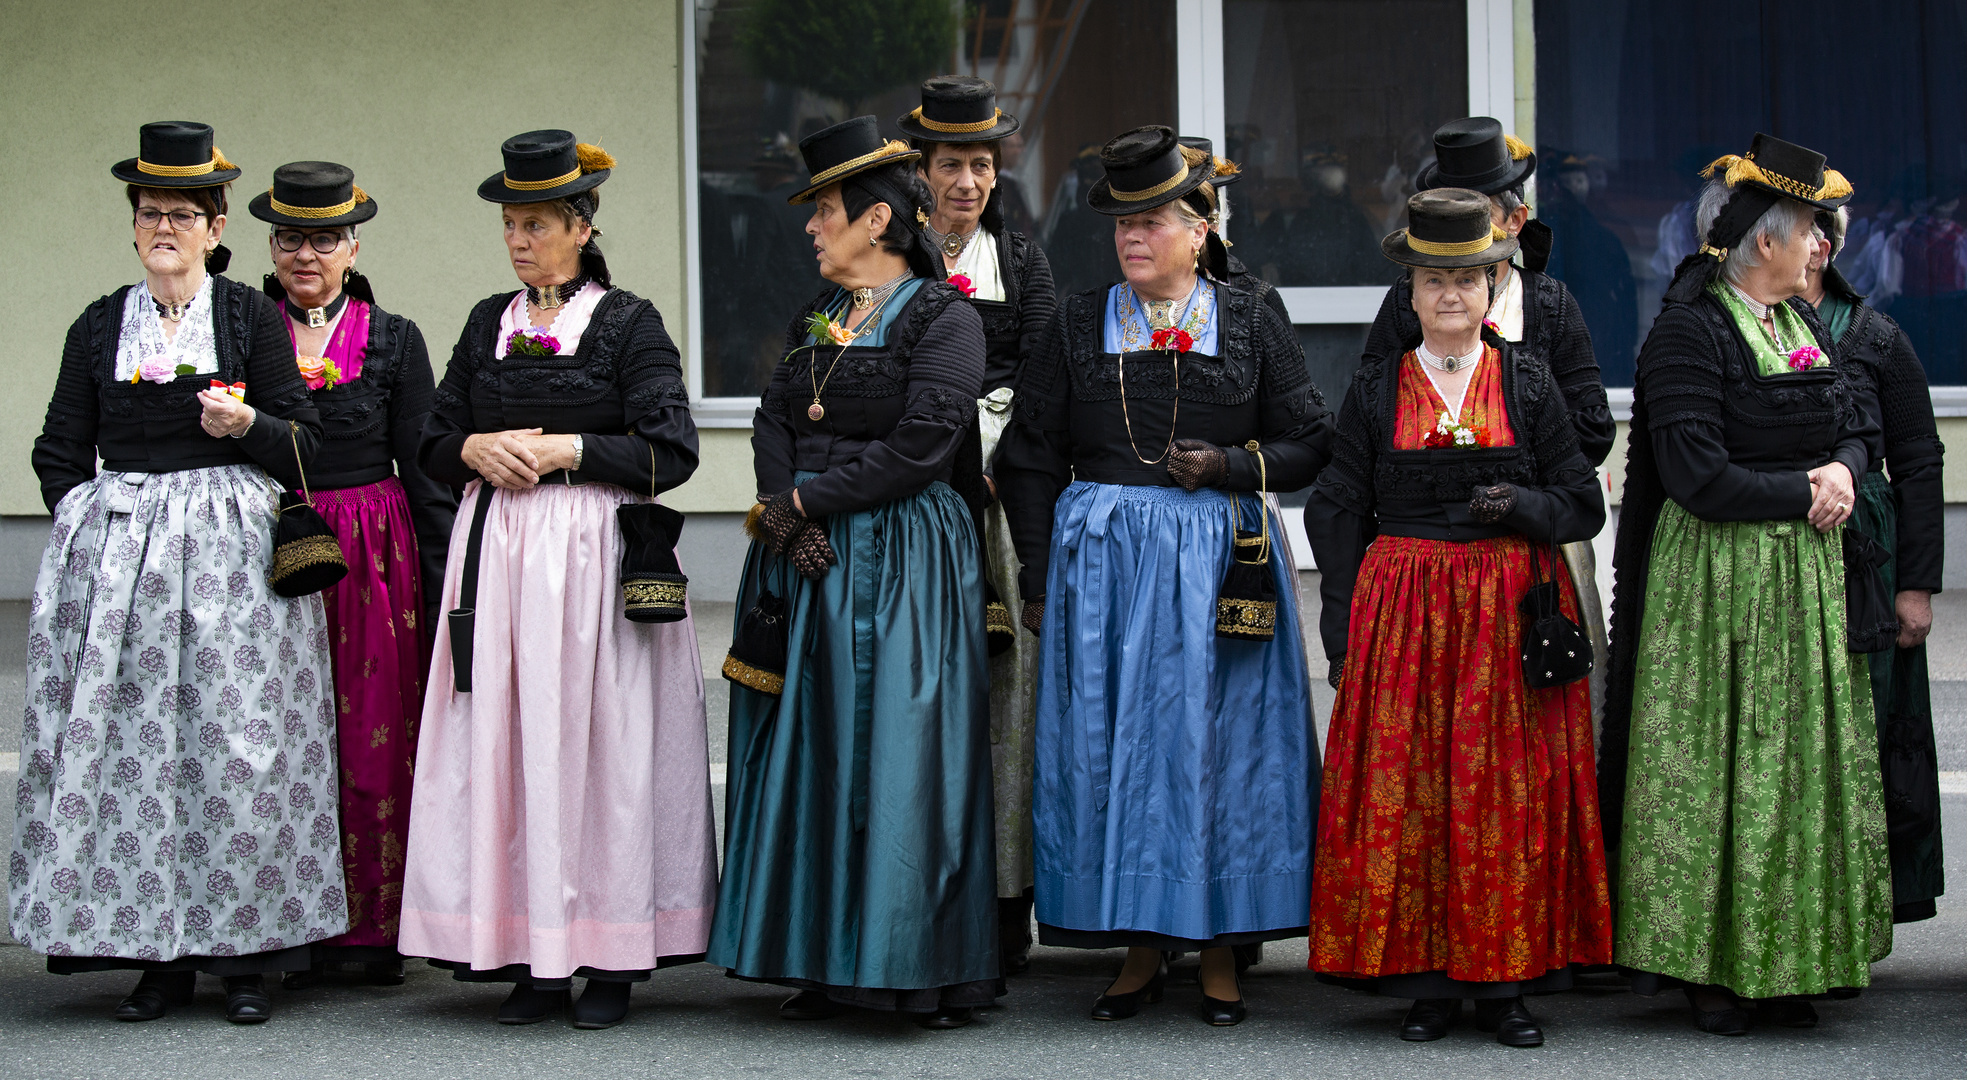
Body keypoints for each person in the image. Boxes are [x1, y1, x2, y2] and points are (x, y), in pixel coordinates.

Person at [997, 125, 1333, 1027]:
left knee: (1222, 747)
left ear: (1199, 228)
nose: (1130, 237)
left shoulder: (1252, 314)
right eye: (1120, 224)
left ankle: (1221, 944)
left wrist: (1228, 466)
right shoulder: (1077, 321)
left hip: (1224, 565)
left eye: (1150, 221)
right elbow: (1028, 455)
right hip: (1104, 569)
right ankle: (1141, 942)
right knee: (1119, 749)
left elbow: (1312, 444)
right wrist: (1037, 575)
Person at [11, 121, 342, 1024]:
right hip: (119, 572)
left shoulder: (248, 318)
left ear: (215, 223)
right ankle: (156, 957)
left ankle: (244, 960)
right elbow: (57, 447)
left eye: (184, 212)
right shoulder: (97, 323)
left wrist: (252, 434)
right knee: (134, 760)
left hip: (233, 570)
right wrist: (86, 525)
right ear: (133, 225)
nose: (166, 225)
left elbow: (309, 441)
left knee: (235, 755)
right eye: (152, 211)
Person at [401, 130, 717, 1031]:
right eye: (510, 224)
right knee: (510, 744)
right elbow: (430, 438)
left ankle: (610, 954)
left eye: (535, 222)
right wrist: (468, 446)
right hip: (498, 557)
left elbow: (672, 450)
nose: (517, 240)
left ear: (581, 227)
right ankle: (532, 953)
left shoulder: (628, 324)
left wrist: (567, 449)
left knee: (601, 749)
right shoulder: (483, 322)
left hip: (593, 562)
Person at [707, 116, 998, 1030]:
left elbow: (924, 442)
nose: (809, 227)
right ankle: (819, 955)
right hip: (810, 555)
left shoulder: (945, 316)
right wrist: (781, 509)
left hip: (902, 557)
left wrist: (809, 503)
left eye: (823, 210)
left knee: (894, 751)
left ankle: (902, 963)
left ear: (877, 221)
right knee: (810, 750)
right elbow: (769, 423)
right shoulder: (816, 318)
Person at [1303, 188, 1610, 1047]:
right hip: (1403, 622)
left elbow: (1581, 501)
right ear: (1409, 291)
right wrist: (1343, 631)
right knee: (1414, 796)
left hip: (1506, 623)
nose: (1449, 295)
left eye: (1467, 278)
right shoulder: (1372, 390)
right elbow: (1334, 510)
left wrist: (1519, 505)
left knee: (1503, 798)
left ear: (1492, 283)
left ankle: (1507, 984)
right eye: (1433, 280)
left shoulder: (1526, 377)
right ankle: (1426, 985)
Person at [1601, 134, 1890, 1035]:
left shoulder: (1800, 323)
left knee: (1791, 767)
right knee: (1718, 765)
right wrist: (1804, 489)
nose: (1820, 243)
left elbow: (1854, 417)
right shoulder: (1689, 330)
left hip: (1800, 582)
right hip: (1717, 580)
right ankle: (1711, 970)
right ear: (1763, 241)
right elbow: (1693, 472)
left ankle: (1788, 954)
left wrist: (1842, 468)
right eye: (1810, 226)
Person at [247, 161, 456, 990]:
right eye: (291, 237)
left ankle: (369, 928)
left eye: (323, 238)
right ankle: (275, 920)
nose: (306, 253)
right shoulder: (240, 328)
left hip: (374, 556)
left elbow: (426, 468)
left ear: (352, 245)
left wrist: (446, 589)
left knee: (373, 735)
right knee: (267, 734)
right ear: (269, 244)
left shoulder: (395, 337)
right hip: (261, 546)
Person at [1363, 118, 1616, 719]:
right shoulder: (1408, 300)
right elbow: (1373, 415)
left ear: (1512, 224)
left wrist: (1519, 474)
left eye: (1474, 212)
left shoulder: (1549, 305)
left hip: (1534, 538)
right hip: (1429, 552)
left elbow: (1595, 427)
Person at [898, 75, 1056, 976]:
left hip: (994, 504)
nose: (969, 181)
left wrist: (998, 456)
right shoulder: (891, 255)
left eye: (983, 164)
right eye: (952, 164)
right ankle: (916, 888)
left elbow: (1042, 373)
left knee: (1006, 697)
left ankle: (1003, 901)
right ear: (918, 173)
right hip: (919, 497)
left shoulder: (1021, 260)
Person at [1802, 208, 1947, 926]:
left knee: (1879, 727)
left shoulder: (1875, 336)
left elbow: (1919, 462)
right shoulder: (1741, 328)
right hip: (1786, 544)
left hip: (1871, 556)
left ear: (1820, 248)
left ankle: (1871, 902)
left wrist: (1915, 588)